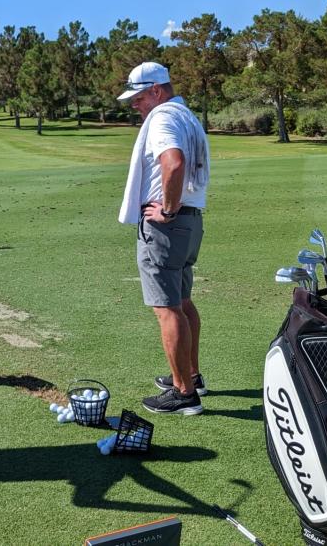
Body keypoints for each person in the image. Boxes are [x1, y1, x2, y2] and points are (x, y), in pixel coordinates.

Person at [116, 61, 211, 415]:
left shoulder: (163, 117)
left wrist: (167, 211)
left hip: (168, 225)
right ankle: (191, 375)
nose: (135, 106)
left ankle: (183, 392)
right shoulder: (186, 114)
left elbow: (173, 162)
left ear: (156, 90)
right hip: (190, 222)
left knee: (167, 308)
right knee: (183, 301)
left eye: (138, 98)